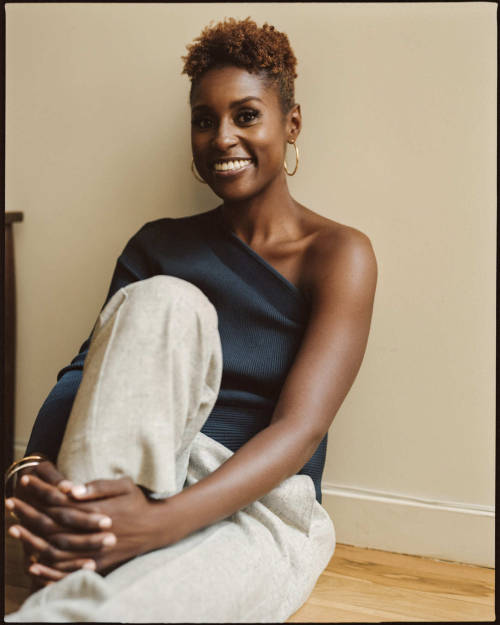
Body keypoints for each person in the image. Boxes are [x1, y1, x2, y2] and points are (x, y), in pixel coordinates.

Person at [5, 17, 378, 622]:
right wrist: (33, 473)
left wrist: (158, 525)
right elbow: (83, 377)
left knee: (109, 611)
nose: (222, 136)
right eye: (204, 121)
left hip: (259, 508)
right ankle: (87, 543)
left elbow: (301, 428)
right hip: (130, 477)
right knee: (165, 300)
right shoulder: (158, 246)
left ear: (292, 123)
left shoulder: (339, 254)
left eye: (247, 115)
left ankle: (93, 567)